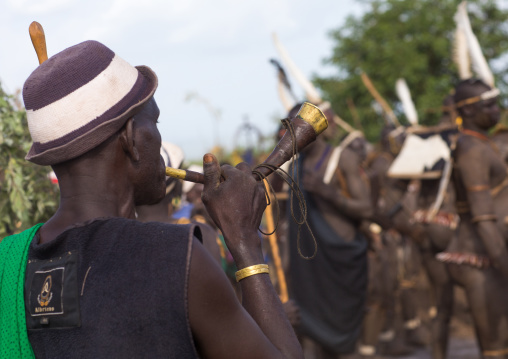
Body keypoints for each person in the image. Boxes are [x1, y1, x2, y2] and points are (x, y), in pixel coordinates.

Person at [0, 40, 303, 359]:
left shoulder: (8, 265)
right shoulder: (176, 258)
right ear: (131, 136)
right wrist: (244, 241)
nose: (159, 138)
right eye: (154, 122)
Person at [287, 103, 372, 358]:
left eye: (304, 129)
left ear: (318, 129)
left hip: (343, 262)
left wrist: (329, 193)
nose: (298, 136)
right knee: (310, 335)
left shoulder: (342, 158)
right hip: (309, 269)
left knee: (346, 341)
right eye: (294, 130)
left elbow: (367, 208)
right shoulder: (295, 166)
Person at [438, 78, 508, 356]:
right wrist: (505, 265)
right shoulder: (471, 148)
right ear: (467, 111)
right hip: (480, 257)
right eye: (489, 106)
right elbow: (483, 218)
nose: (497, 110)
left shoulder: (481, 143)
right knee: (496, 349)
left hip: (489, 256)